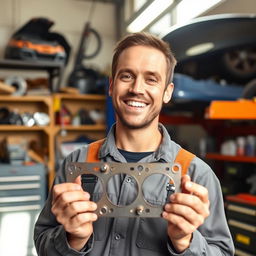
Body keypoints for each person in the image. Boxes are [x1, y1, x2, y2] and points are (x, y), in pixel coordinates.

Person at [34, 32, 234, 255]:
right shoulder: (77, 162)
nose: (137, 89)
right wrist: (72, 239)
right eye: (126, 76)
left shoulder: (197, 174)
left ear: (167, 93)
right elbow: (42, 241)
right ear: (111, 86)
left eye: (151, 79)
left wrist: (185, 241)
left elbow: (222, 251)